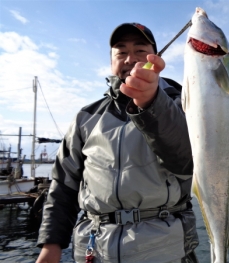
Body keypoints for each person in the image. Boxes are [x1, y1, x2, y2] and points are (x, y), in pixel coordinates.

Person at [35, 22, 199, 263]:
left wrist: (152, 102)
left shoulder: (184, 106)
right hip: (93, 251)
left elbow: (187, 161)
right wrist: (51, 244)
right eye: (121, 52)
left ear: (156, 57)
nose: (130, 58)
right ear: (112, 61)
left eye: (140, 51)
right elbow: (63, 186)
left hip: (165, 252)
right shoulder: (86, 117)